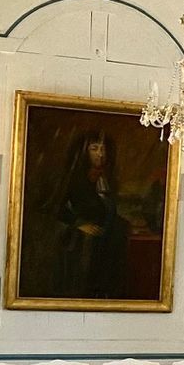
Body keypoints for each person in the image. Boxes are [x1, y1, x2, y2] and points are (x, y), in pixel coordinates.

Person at [48, 128, 130, 299]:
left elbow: (109, 206)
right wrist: (79, 223)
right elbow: (55, 207)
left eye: (103, 149)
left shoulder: (107, 178)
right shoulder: (73, 178)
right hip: (84, 241)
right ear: (84, 152)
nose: (100, 154)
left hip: (108, 237)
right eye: (94, 148)